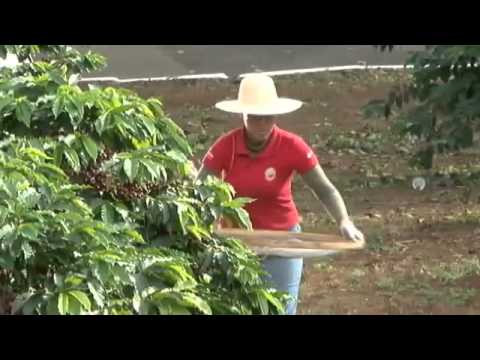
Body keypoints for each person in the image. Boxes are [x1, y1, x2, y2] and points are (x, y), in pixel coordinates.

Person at [196, 74, 364, 315]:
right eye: (255, 118)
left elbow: (325, 189)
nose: (262, 124)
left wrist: (344, 220)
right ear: (243, 115)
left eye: (268, 118)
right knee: (237, 307)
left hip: (282, 238)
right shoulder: (226, 146)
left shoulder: (292, 145)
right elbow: (198, 189)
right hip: (236, 240)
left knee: (280, 307)